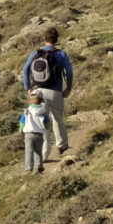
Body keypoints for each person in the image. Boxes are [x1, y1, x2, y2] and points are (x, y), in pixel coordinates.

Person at [21, 27, 74, 159]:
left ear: (44, 39)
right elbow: (69, 71)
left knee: (39, 121)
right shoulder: (61, 54)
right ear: (56, 40)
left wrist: (28, 87)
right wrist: (68, 87)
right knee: (57, 119)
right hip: (55, 91)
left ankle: (43, 155)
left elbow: (25, 69)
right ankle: (62, 145)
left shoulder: (35, 53)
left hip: (37, 91)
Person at [18, 90, 49, 173]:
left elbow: (22, 122)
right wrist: (46, 128)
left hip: (28, 134)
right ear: (41, 100)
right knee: (38, 151)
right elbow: (46, 123)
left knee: (29, 151)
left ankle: (29, 168)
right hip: (39, 134)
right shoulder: (44, 111)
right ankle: (39, 166)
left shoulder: (27, 111)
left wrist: (21, 130)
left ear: (31, 100)